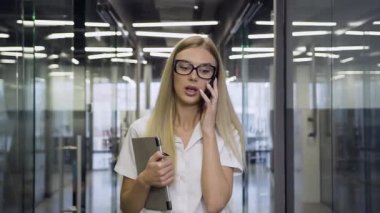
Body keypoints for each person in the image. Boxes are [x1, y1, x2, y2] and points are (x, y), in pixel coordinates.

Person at [114, 35, 244, 213]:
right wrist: (145, 180)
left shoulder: (227, 133)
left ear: (214, 79)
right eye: (184, 67)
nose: (193, 76)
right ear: (172, 73)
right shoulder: (141, 129)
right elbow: (127, 208)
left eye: (204, 71)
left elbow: (215, 204)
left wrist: (208, 131)